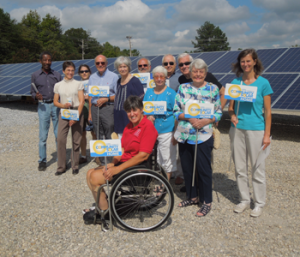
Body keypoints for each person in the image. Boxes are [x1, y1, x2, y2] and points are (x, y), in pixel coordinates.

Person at [83, 95, 158, 223]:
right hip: (125, 164)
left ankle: (107, 215)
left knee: (95, 177)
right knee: (89, 173)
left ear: (141, 110)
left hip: (137, 168)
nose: (132, 114)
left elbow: (143, 155)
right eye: (129, 111)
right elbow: (121, 150)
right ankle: (104, 207)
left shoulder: (147, 127)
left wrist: (118, 169)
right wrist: (113, 163)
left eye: (135, 110)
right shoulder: (129, 127)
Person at [173, 58, 222, 217]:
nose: (198, 74)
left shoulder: (213, 89)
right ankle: (192, 196)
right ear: (191, 73)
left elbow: (219, 112)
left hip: (204, 134)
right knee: (187, 168)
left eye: (201, 72)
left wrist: (208, 120)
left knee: (203, 168)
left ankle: (206, 201)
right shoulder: (182, 88)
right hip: (185, 134)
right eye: (195, 71)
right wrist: (188, 117)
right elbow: (175, 110)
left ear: (205, 73)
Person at [229, 49, 273, 218]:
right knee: (240, 167)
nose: (245, 64)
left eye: (248, 61)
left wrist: (267, 134)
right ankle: (244, 200)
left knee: (257, 167)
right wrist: (232, 115)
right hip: (237, 129)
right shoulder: (236, 82)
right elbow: (231, 107)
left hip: (256, 129)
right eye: (242, 61)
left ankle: (259, 202)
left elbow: (268, 112)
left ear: (255, 62)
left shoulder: (263, 84)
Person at [144, 66, 177, 183]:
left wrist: (176, 133)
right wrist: (148, 116)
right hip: (152, 131)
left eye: (161, 76)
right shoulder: (149, 92)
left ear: (165, 77)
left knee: (166, 157)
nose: (159, 79)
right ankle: (160, 181)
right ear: (153, 78)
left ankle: (165, 186)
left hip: (167, 129)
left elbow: (176, 112)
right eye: (156, 76)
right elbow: (145, 110)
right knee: (158, 158)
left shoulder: (171, 93)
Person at [31, 51, 62, 171]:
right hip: (43, 106)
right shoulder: (35, 75)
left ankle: (60, 159)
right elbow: (32, 91)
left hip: (56, 106)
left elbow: (62, 90)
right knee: (43, 136)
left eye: (49, 60)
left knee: (58, 134)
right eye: (45, 60)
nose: (47, 62)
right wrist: (35, 96)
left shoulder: (57, 75)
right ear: (40, 61)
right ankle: (42, 161)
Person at [53, 61, 84, 175]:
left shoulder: (78, 84)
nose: (70, 72)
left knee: (76, 140)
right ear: (63, 71)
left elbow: (81, 101)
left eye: (72, 70)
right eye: (68, 70)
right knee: (61, 139)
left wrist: (76, 116)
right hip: (64, 112)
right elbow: (55, 101)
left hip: (76, 110)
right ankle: (61, 166)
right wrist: (63, 105)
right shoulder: (58, 85)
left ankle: (75, 165)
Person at [88, 55, 118, 166]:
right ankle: (100, 161)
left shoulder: (114, 76)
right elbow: (90, 96)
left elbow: (117, 95)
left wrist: (106, 99)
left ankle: (110, 162)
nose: (100, 65)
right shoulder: (92, 77)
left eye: (102, 63)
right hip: (95, 109)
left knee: (109, 132)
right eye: (98, 63)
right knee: (98, 133)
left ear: (106, 63)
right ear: (95, 64)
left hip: (108, 108)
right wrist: (90, 112)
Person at [162, 54, 184, 185]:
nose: (168, 66)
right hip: (163, 118)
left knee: (179, 144)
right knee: (166, 146)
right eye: (166, 63)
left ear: (175, 64)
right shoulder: (159, 77)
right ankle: (165, 172)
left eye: (171, 63)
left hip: (178, 116)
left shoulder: (180, 78)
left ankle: (180, 173)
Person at [114, 56, 144, 138]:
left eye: (125, 66)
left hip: (130, 119)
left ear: (129, 67)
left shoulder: (135, 81)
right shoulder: (118, 81)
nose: (122, 69)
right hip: (118, 119)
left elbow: (140, 101)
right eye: (120, 67)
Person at [78, 64, 96, 164]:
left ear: (89, 72)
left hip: (92, 110)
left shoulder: (94, 82)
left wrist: (89, 97)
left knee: (94, 133)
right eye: (82, 71)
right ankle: (83, 155)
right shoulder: (77, 84)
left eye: (86, 71)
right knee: (82, 134)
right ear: (79, 73)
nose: (84, 73)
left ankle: (96, 155)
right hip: (82, 111)